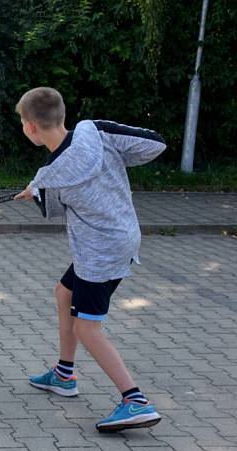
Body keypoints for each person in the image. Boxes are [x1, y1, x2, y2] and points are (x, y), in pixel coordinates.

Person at [13, 87, 166, 432]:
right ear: (62, 115)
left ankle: (135, 400)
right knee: (64, 292)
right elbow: (154, 143)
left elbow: (49, 208)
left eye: (22, 122)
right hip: (117, 238)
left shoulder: (51, 175)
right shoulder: (94, 131)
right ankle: (64, 375)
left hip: (101, 253)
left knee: (88, 327)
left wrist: (35, 191)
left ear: (31, 128)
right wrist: (39, 190)